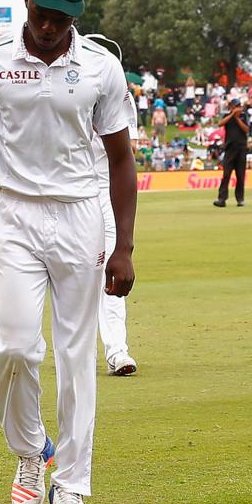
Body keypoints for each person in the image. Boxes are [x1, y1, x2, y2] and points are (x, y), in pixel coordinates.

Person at [0, 0, 136, 504]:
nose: (50, 27)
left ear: (76, 16)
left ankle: (72, 486)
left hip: (80, 213)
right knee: (13, 345)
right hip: (15, 213)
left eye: (61, 19)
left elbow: (121, 160)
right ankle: (31, 451)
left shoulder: (101, 67)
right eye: (41, 15)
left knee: (76, 356)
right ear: (26, 2)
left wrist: (123, 246)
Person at [84, 34, 140, 377]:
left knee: (113, 275)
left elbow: (123, 153)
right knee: (74, 281)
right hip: (69, 192)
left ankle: (118, 350)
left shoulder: (118, 96)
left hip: (104, 191)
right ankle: (79, 351)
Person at [214, 98, 249, 207]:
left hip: (241, 148)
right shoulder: (227, 116)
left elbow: (246, 129)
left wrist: (238, 118)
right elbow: (220, 124)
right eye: (235, 106)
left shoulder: (244, 116)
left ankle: (240, 199)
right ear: (231, 107)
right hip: (230, 148)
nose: (238, 108)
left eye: (239, 106)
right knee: (226, 175)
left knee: (240, 175)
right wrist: (232, 115)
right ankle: (222, 199)